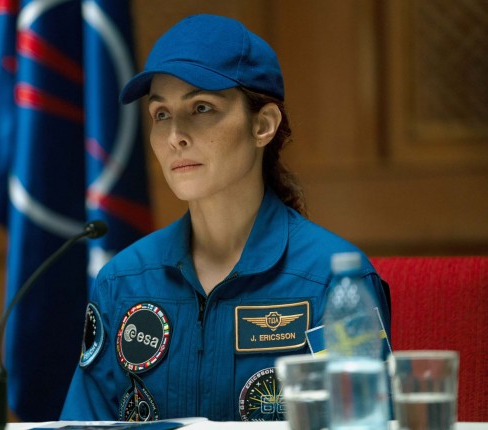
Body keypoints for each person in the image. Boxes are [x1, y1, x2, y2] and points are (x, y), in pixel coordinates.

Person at [60, 14, 391, 422]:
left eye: (201, 108)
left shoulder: (334, 282)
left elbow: (365, 422)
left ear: (263, 125)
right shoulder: (122, 281)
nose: (175, 136)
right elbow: (84, 424)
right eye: (161, 114)